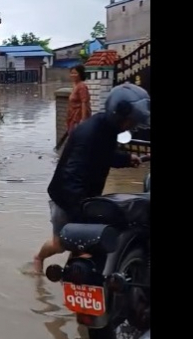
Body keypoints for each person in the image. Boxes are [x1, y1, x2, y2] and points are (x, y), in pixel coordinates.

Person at [33, 83, 150, 273]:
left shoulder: (107, 129)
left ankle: (75, 276)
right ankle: (38, 259)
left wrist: (128, 159)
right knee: (61, 243)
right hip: (66, 197)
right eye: (131, 121)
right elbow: (71, 178)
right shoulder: (90, 133)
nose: (133, 125)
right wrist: (82, 218)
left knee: (86, 245)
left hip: (86, 198)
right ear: (118, 115)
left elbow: (104, 155)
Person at [66, 64, 91, 133]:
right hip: (72, 114)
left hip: (78, 116)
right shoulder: (75, 85)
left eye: (75, 73)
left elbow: (84, 102)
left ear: (80, 74)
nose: (73, 75)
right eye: (72, 73)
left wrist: (83, 119)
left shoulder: (82, 86)